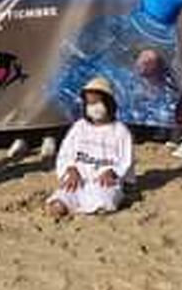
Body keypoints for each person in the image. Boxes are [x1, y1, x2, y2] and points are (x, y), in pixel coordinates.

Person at [48, 76, 134, 218]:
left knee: (103, 203)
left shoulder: (120, 131)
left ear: (108, 103)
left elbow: (126, 161)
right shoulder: (79, 127)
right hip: (78, 181)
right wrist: (70, 168)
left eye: (97, 102)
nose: (93, 107)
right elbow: (65, 152)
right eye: (89, 103)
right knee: (57, 205)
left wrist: (113, 172)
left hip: (104, 183)